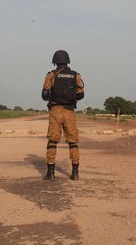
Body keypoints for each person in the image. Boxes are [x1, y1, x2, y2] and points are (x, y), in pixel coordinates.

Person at [41, 50, 85, 181]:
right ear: (67, 61)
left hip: (55, 110)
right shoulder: (75, 75)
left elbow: (44, 95)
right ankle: (75, 173)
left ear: (55, 61)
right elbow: (81, 95)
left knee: (53, 141)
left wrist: (52, 96)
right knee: (73, 142)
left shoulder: (51, 75)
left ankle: (51, 173)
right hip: (70, 112)